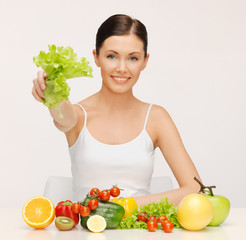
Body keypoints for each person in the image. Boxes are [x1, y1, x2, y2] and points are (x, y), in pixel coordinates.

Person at [32, 14, 201, 206]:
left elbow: (196, 189)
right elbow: (62, 116)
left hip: (142, 232)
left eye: (133, 58)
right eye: (111, 56)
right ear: (96, 57)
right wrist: (51, 92)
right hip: (88, 234)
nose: (122, 68)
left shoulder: (156, 117)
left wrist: (126, 206)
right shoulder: (78, 115)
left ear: (145, 61)